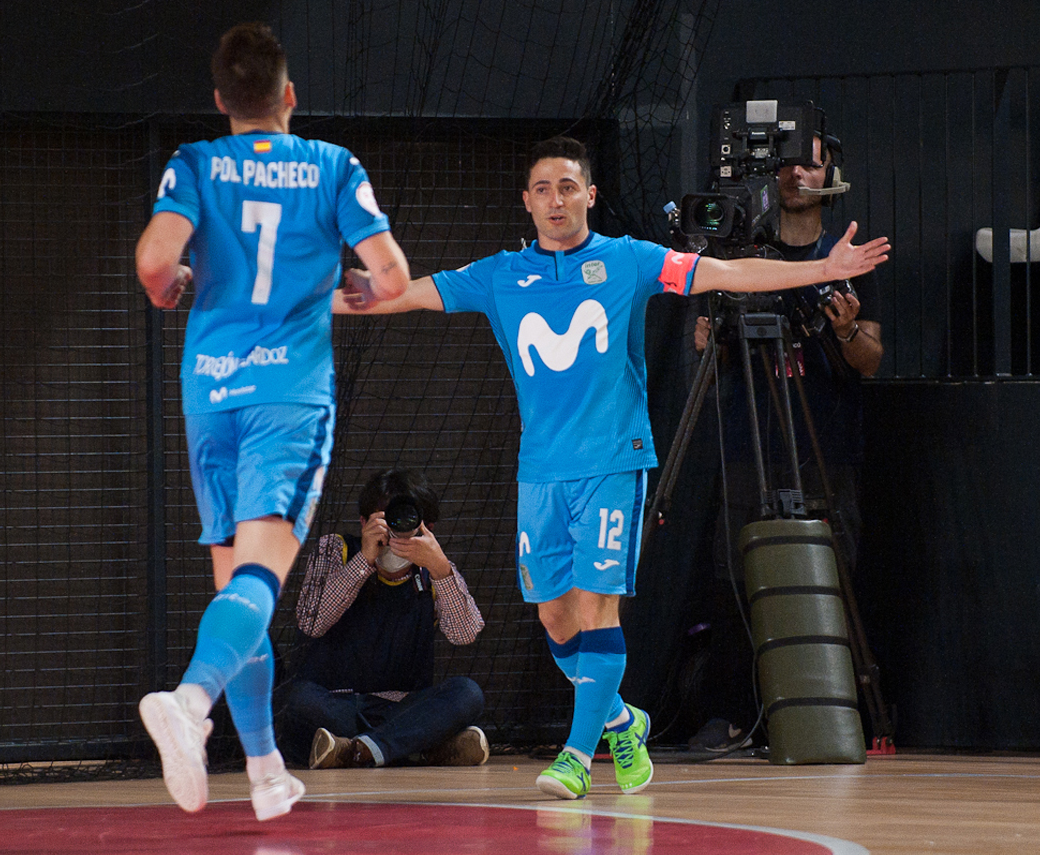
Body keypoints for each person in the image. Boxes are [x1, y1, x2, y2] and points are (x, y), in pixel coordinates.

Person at [333, 136, 889, 799]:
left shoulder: (628, 259)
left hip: (612, 462)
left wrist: (821, 267)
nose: (556, 200)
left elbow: (727, 273)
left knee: (598, 610)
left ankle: (576, 755)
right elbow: (407, 294)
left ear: (590, 196)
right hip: (541, 474)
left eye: (568, 187)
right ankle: (624, 720)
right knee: (555, 619)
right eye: (544, 189)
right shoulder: (501, 274)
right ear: (527, 201)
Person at [133, 22, 409, 821]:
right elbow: (392, 275)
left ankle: (264, 771)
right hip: (288, 393)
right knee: (260, 578)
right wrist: (361, 286)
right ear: (290, 94)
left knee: (236, 584)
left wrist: (172, 285)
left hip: (211, 392)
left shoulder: (195, 162)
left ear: (222, 101)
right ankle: (190, 702)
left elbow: (154, 262)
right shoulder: (333, 165)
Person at [686, 130, 884, 752]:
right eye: (786, 163)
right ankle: (733, 711)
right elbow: (711, 356)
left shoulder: (846, 254)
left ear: (830, 176)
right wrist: (708, 341)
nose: (796, 174)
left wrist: (846, 331)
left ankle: (832, 710)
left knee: (831, 573)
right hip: (750, 443)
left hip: (825, 442)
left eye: (810, 164)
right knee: (734, 573)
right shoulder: (744, 257)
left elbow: (871, 359)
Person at [278, 469, 488, 769]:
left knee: (467, 694)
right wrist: (364, 560)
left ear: (427, 528)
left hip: (398, 707)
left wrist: (441, 570)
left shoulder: (435, 570)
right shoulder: (335, 548)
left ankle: (357, 750)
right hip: (334, 704)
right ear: (364, 522)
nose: (395, 531)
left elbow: (464, 634)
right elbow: (311, 623)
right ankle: (416, 746)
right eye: (387, 520)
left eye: (405, 522)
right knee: (298, 698)